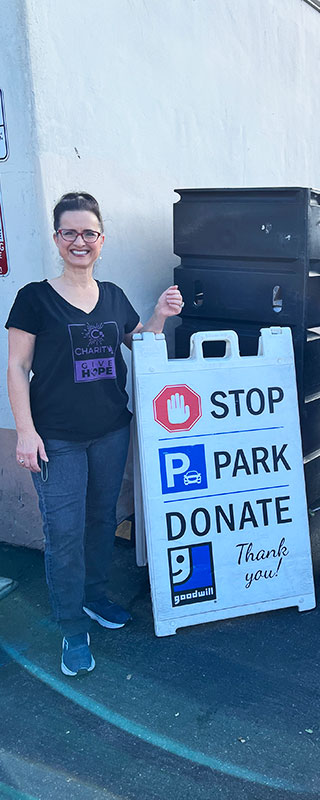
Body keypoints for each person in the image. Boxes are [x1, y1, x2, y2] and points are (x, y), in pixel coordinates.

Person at [6, 191, 183, 676]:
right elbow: (17, 367)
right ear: (57, 238)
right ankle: (71, 628)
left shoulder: (114, 297)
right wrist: (25, 430)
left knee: (102, 519)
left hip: (110, 430)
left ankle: (93, 598)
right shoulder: (33, 298)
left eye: (89, 233)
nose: (79, 241)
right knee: (63, 533)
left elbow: (140, 344)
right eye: (70, 232)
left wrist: (161, 315)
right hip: (55, 437)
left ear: (101, 240)